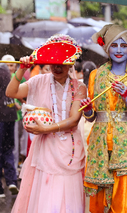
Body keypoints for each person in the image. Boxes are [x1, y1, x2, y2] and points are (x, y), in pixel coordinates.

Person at [7, 35, 87, 213]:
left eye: (62, 63)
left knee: (67, 198)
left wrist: (45, 129)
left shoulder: (80, 87)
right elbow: (11, 92)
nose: (57, 67)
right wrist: (21, 70)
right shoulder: (38, 81)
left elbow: (74, 119)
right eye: (54, 62)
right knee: (44, 196)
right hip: (45, 149)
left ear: (71, 62)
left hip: (70, 151)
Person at [80, 24, 127, 213]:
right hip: (100, 144)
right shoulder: (96, 75)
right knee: (99, 203)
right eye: (114, 45)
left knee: (125, 203)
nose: (119, 50)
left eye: (124, 45)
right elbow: (92, 117)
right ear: (107, 48)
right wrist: (87, 110)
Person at [0, 64, 19, 197]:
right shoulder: (9, 76)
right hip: (10, 117)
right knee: (8, 149)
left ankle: (0, 188)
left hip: (0, 117)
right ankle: (12, 181)